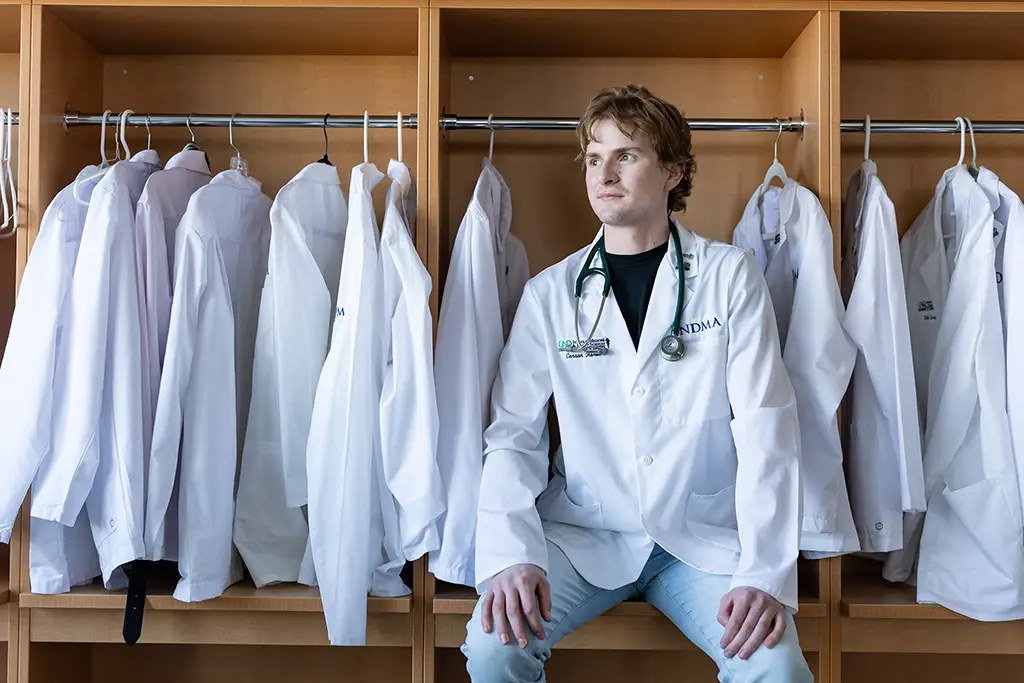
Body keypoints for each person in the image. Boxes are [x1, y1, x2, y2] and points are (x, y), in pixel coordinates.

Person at [461, 84, 813, 683]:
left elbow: (767, 428)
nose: (604, 175)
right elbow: (513, 435)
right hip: (584, 537)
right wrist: (512, 555)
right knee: (495, 650)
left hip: (699, 542)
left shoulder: (729, 277)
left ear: (675, 171)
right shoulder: (551, 294)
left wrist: (764, 572)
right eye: (594, 158)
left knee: (776, 669)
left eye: (626, 156)